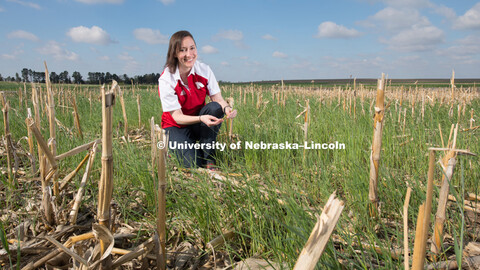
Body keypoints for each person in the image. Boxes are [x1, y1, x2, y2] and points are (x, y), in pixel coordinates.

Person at [158, 30, 237, 169]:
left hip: (198, 122)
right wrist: (201, 119)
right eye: (183, 50)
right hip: (176, 125)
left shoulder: (204, 70)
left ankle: (209, 158)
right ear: (174, 54)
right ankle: (178, 147)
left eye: (192, 48)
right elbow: (176, 117)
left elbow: (217, 98)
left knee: (215, 107)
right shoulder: (166, 79)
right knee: (192, 164)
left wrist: (226, 108)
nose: (189, 54)